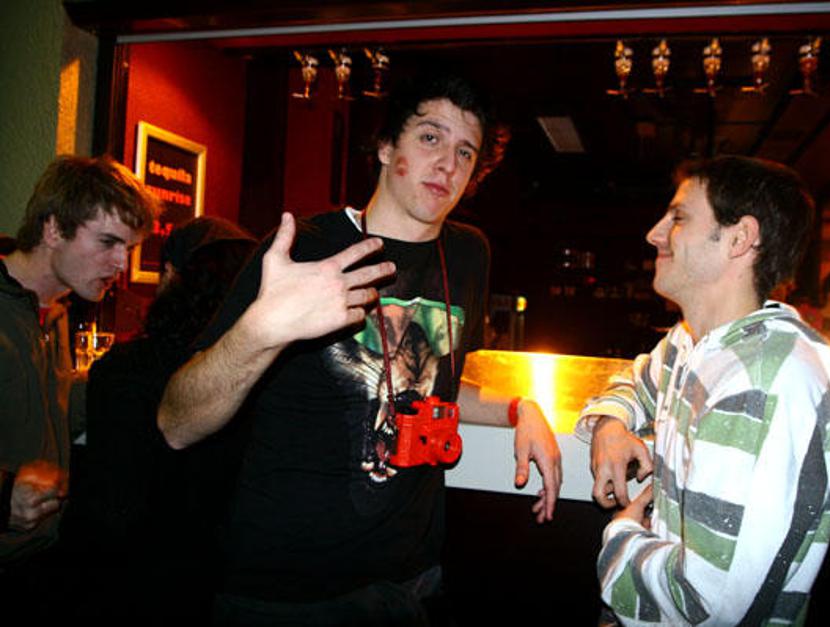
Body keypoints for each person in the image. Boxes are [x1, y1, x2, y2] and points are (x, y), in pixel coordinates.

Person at [158, 72, 562, 623]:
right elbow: (177, 424)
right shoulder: (306, 249)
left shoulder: (469, 255)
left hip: (409, 581)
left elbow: (433, 382)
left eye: (465, 151)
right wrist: (260, 331)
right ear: (386, 146)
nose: (447, 163)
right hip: (286, 593)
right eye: (430, 137)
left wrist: (519, 407)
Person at [575, 156, 830, 625]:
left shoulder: (764, 382)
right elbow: (635, 382)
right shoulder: (693, 344)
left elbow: (714, 606)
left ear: (739, 238)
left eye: (678, 218)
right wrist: (611, 424)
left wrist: (622, 538)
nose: (654, 234)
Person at [59, 216, 257, 620]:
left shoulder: (128, 369)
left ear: (169, 275)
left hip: (137, 585)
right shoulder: (268, 374)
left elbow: (109, 508)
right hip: (232, 584)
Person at [0, 156, 159, 567]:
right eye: (108, 242)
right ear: (53, 229)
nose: (121, 264)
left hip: (40, 557)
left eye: (129, 249)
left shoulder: (54, 312)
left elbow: (41, 410)